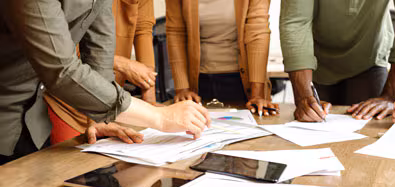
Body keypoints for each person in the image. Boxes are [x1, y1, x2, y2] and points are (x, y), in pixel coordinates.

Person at [0, 0, 210, 165]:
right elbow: (61, 69)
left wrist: (100, 117)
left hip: (31, 124)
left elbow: (99, 44)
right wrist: (159, 117)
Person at [44, 0, 159, 144]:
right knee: (71, 161)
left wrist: (149, 98)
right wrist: (123, 64)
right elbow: (59, 54)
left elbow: (143, 28)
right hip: (68, 100)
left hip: (109, 103)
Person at [280, 0, 395, 122]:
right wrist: (303, 95)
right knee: (312, 124)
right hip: (317, 62)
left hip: (370, 59)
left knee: (371, 127)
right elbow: (296, 22)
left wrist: (391, 97)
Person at [165, 0, 279, 116]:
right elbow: (176, 32)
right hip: (198, 84)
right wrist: (182, 89)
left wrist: (257, 95)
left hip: (244, 83)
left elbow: (257, 31)